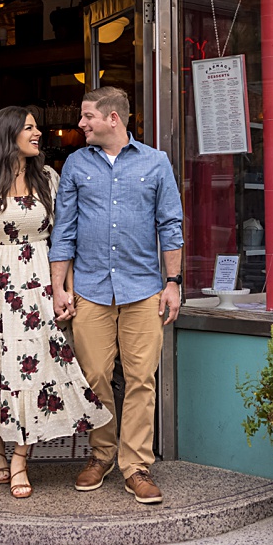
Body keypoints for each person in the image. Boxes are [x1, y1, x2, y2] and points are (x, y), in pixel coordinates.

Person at [0, 106, 112, 499]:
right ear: (9, 134)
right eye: (30, 128)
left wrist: (64, 288)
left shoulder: (48, 178)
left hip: (37, 283)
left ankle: (20, 457)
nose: (39, 133)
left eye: (37, 127)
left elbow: (62, 240)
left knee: (34, 370)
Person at [49, 86, 183, 505]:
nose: (81, 123)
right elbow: (63, 229)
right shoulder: (75, 164)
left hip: (143, 289)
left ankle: (136, 465)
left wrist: (174, 282)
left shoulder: (156, 163)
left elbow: (171, 225)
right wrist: (59, 286)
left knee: (142, 379)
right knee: (94, 377)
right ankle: (101, 454)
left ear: (113, 119)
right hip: (89, 289)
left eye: (88, 116)